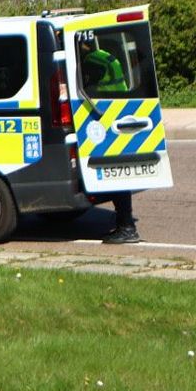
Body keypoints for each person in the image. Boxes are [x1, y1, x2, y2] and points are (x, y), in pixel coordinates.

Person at [76, 31, 141, 244]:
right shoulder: (102, 54)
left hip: (107, 114)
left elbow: (86, 88)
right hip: (117, 109)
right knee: (116, 170)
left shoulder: (91, 63)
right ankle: (125, 223)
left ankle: (126, 226)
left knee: (114, 173)